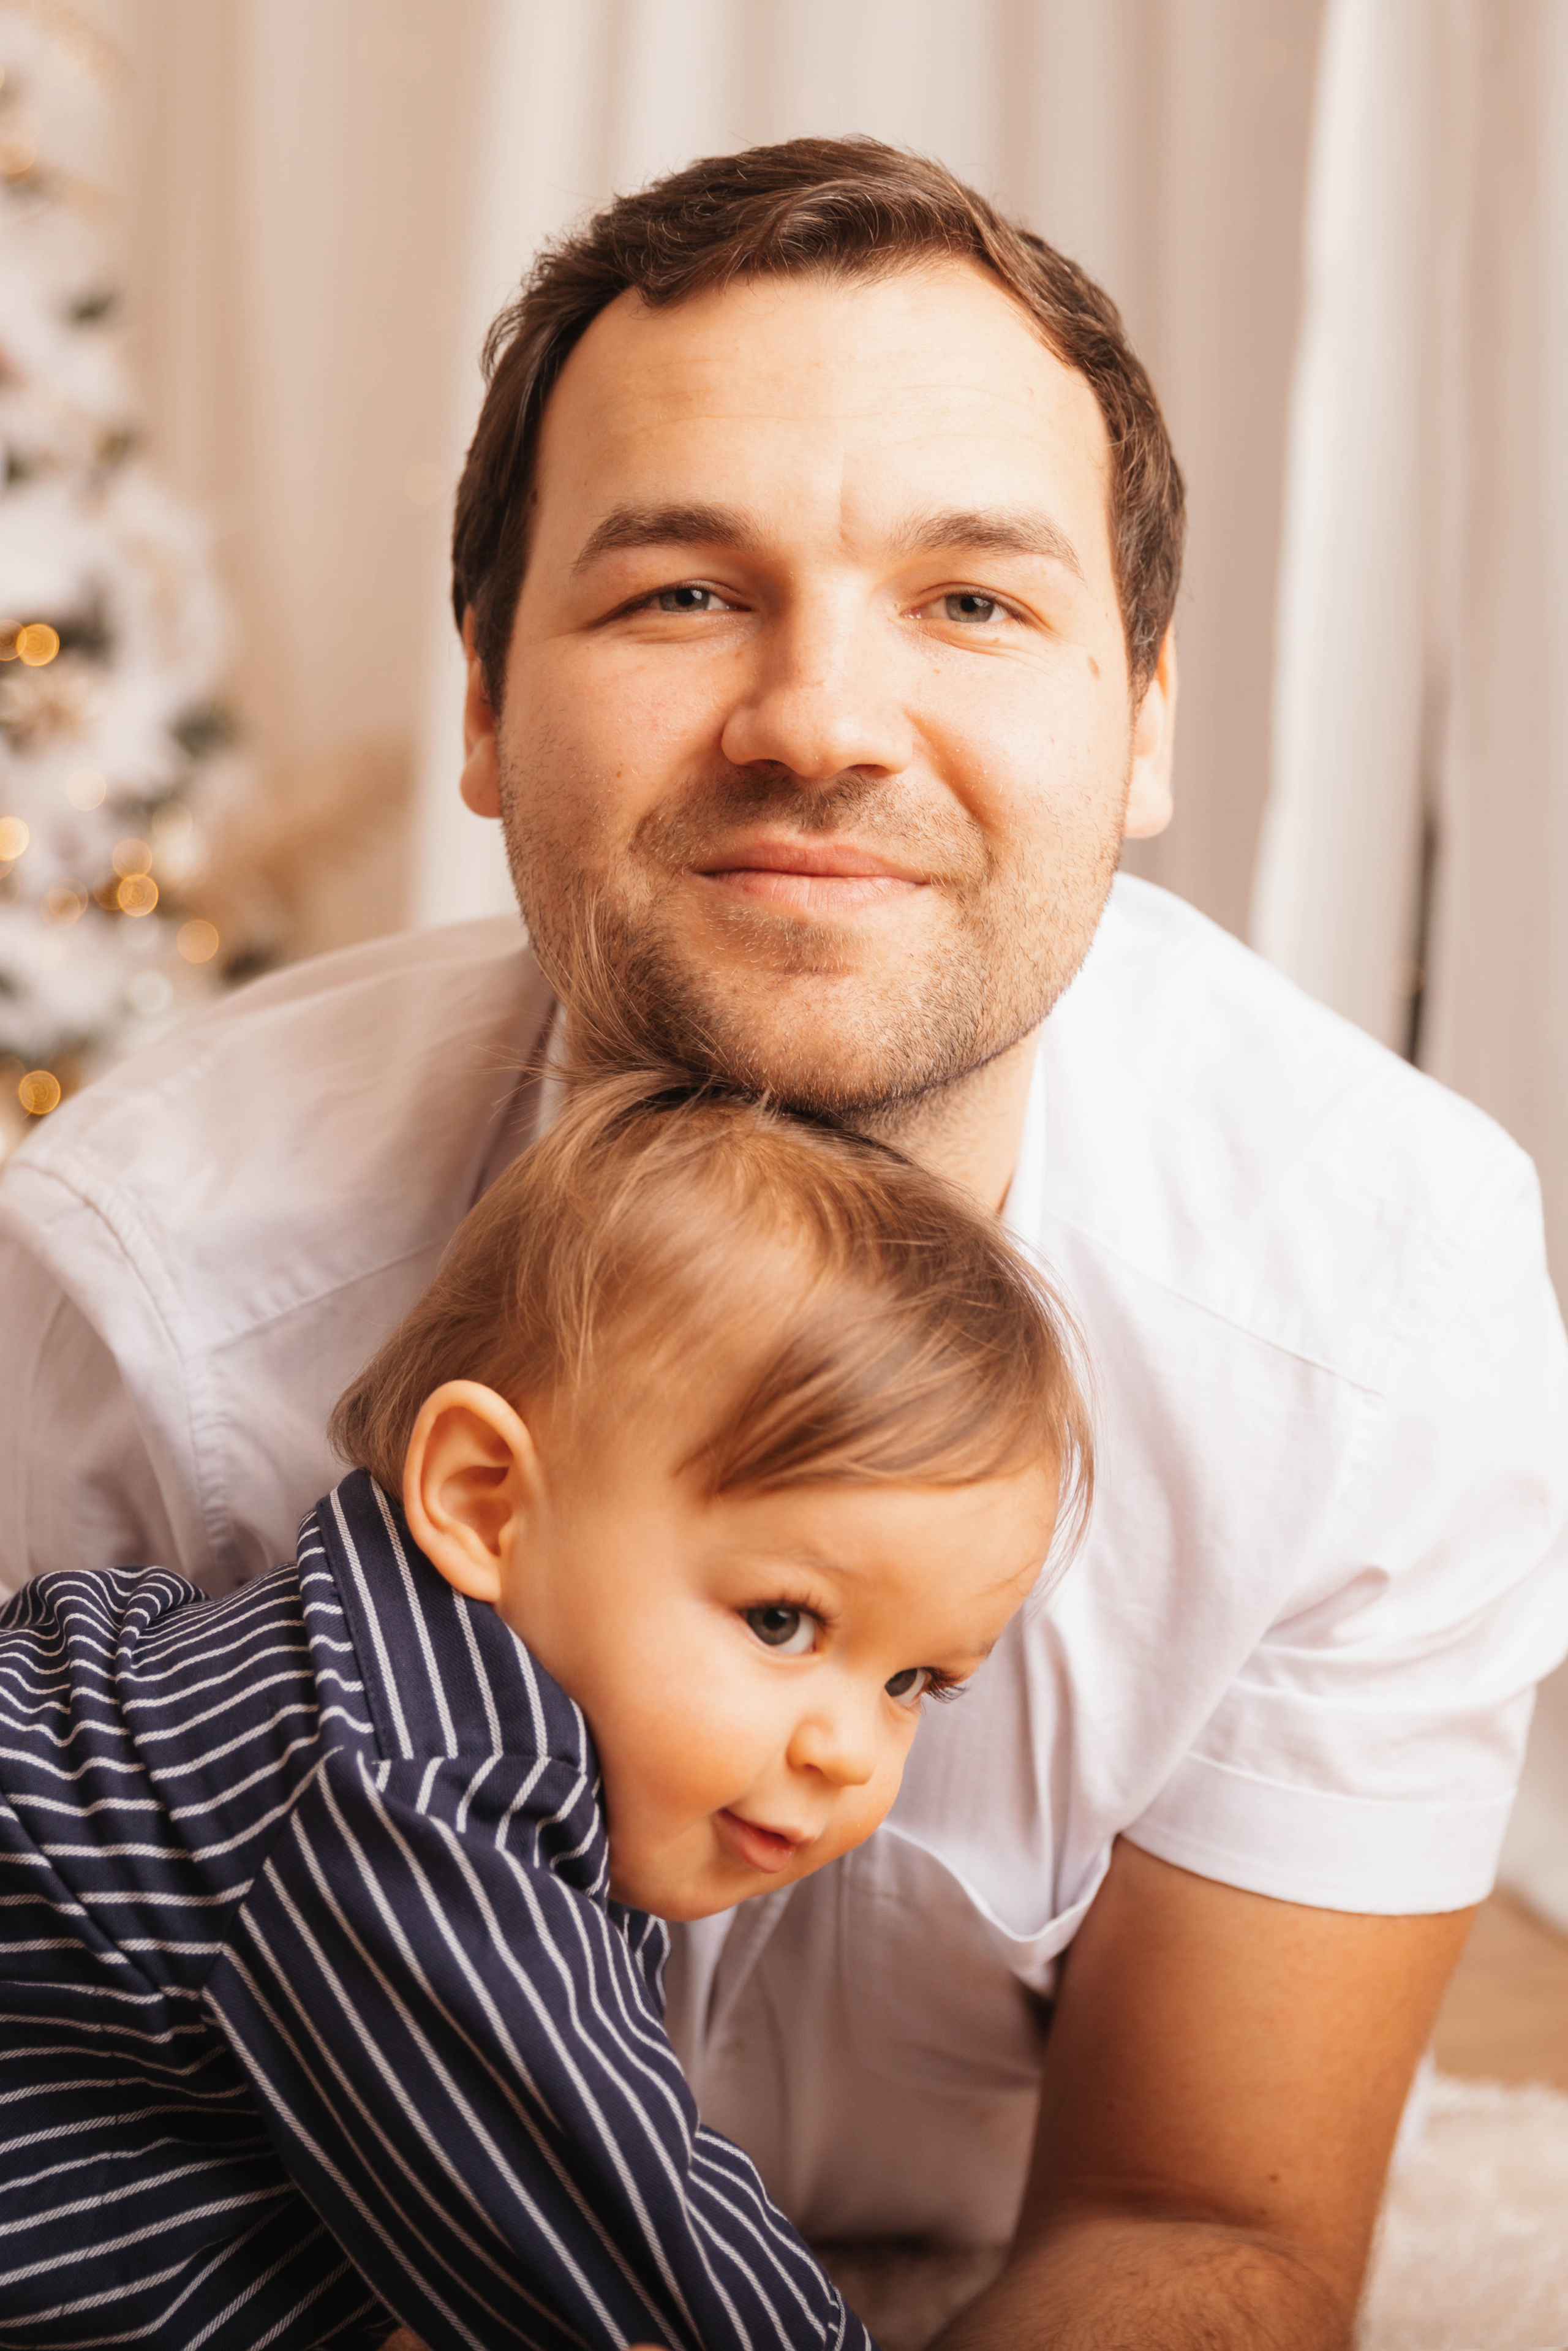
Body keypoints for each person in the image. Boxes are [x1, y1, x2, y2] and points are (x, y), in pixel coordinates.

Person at [1, 135, 1565, 2349]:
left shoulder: (1374, 1295)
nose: (822, 721)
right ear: (483, 697)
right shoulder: (154, 1272)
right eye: (679, 592)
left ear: (1143, 726)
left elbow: (1205, 2213)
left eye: (974, 599)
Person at [0, 1060, 1085, 2349]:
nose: (847, 1748)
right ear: (480, 1500)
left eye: (914, 1681)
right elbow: (635, 2244)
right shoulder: (403, 1790)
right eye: (782, 1621)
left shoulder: (379, 1668)